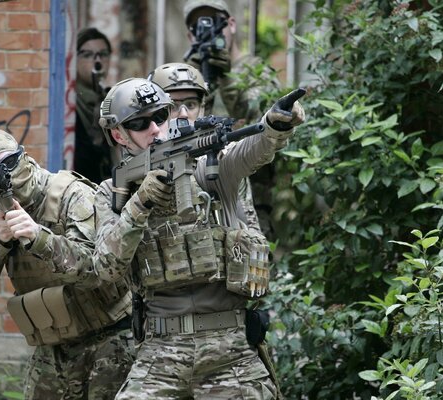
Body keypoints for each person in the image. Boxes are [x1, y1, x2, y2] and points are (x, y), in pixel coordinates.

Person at [94, 78, 304, 399]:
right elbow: (106, 267)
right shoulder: (113, 192)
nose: (154, 128)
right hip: (160, 352)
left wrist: (273, 127)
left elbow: (250, 150)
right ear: (118, 135)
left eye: (160, 117)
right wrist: (141, 202)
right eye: (139, 123)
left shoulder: (208, 168)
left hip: (230, 350)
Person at [0, 129, 134, 400]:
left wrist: (38, 238)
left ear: (24, 156)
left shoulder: (69, 194)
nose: (4, 175)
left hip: (111, 337)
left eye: (9, 162)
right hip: (54, 349)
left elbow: (99, 270)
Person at [183, 0, 281, 237]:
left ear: (232, 24)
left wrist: (227, 79)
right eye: (199, 26)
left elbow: (267, 129)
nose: (208, 31)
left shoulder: (254, 71)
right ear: (190, 36)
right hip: (198, 200)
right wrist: (193, 81)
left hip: (250, 203)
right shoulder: (184, 77)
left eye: (215, 22)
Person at [148, 62, 261, 232]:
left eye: (191, 104)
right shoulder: (142, 161)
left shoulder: (220, 161)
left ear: (202, 108)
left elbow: (251, 232)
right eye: (172, 105)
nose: (184, 113)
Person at [75, 27, 118, 183]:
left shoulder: (111, 100)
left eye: (103, 54)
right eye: (88, 55)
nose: (97, 60)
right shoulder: (68, 102)